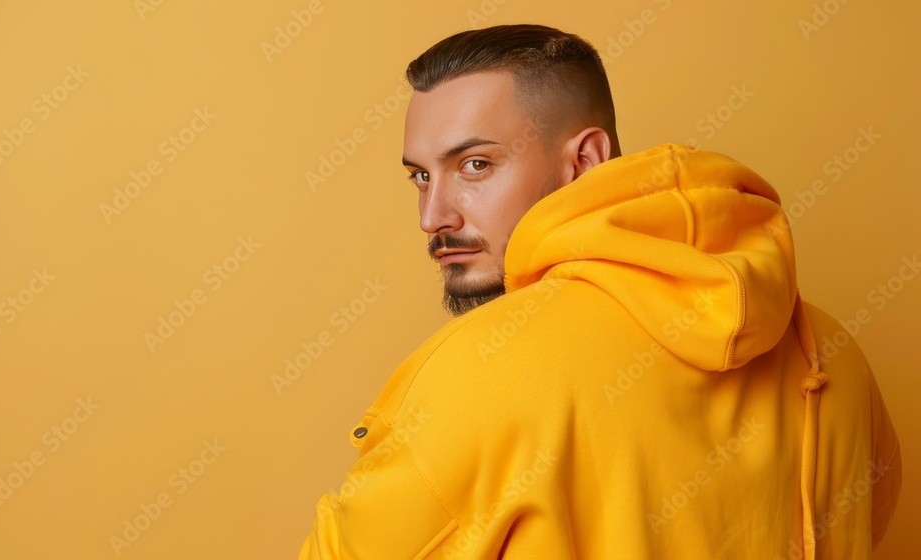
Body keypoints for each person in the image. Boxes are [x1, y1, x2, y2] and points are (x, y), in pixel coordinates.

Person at [298, 24, 901, 559]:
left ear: (585, 161)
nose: (433, 217)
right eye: (422, 176)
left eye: (475, 165)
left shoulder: (475, 372)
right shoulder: (830, 352)